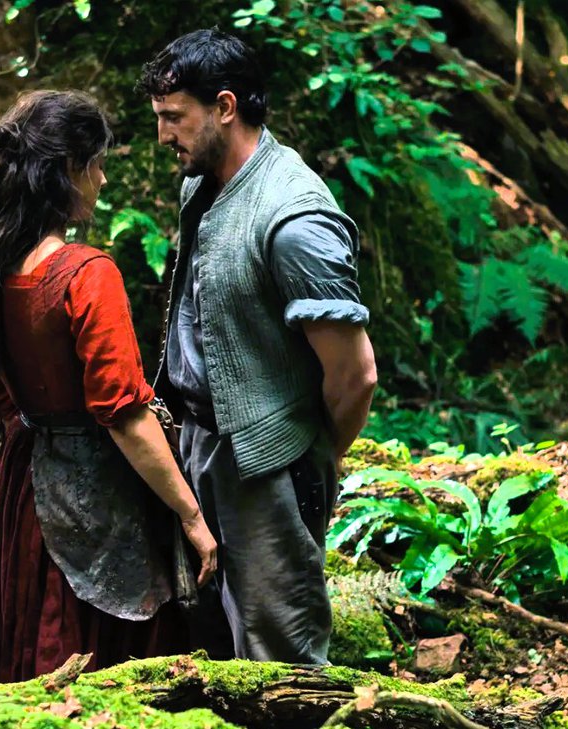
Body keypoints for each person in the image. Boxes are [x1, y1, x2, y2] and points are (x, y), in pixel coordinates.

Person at [138, 30, 378, 664]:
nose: (162, 136)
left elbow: (356, 375)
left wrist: (309, 458)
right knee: (211, 644)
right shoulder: (201, 182)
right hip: (198, 444)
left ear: (224, 106)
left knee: (281, 656)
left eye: (173, 117)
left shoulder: (295, 219)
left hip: (269, 467)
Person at [0, 90, 218, 682]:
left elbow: (4, 391)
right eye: (97, 165)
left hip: (23, 487)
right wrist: (190, 515)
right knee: (91, 661)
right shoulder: (86, 275)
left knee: (29, 638)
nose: (102, 180)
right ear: (67, 171)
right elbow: (123, 414)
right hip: (97, 496)